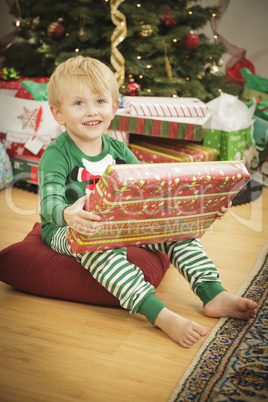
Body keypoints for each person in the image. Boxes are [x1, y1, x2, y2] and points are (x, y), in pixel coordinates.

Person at [39, 56, 258, 348]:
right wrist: (67, 214)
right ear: (59, 113)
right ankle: (159, 314)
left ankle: (213, 293)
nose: (92, 111)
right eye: (79, 103)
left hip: (121, 222)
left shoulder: (118, 149)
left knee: (180, 234)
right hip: (69, 228)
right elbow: (47, 203)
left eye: (100, 101)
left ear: (114, 106)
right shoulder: (57, 153)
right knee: (102, 249)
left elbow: (150, 187)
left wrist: (201, 207)